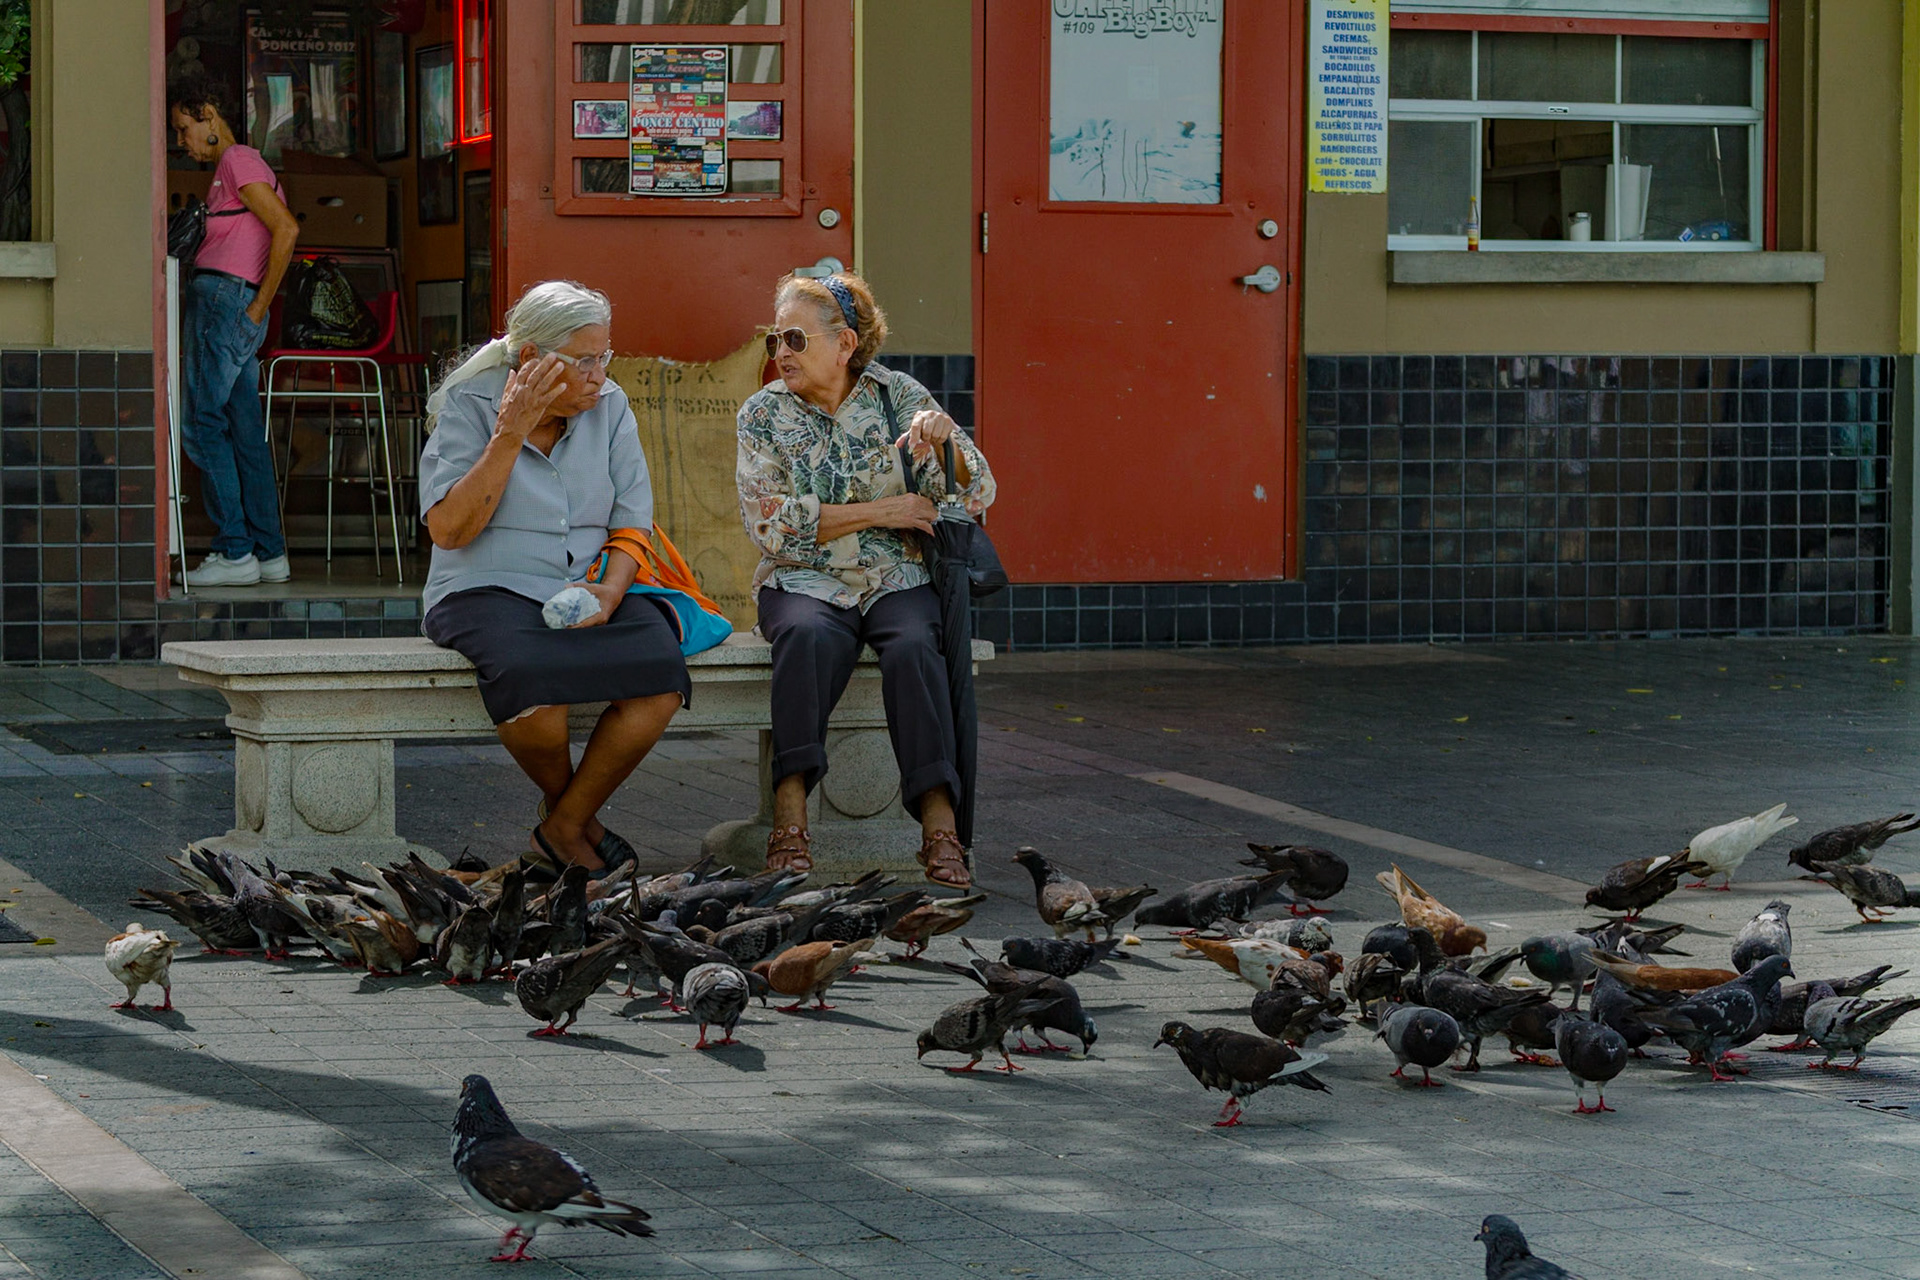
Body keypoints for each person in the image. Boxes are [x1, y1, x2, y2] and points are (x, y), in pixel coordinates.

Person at [420, 281, 689, 876]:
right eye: (585, 360)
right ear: (532, 360)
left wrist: (612, 592)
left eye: (604, 356)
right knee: (530, 682)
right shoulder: (471, 405)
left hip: (593, 582)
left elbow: (631, 522)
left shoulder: (613, 406)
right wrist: (509, 432)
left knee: (662, 675)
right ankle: (579, 824)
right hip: (484, 586)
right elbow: (449, 531)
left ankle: (563, 826)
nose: (599, 373)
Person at [736, 271, 995, 888]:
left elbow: (976, 493)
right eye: (775, 339)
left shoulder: (896, 395)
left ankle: (939, 825)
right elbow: (770, 523)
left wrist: (946, 439)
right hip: (801, 577)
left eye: (795, 339)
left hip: (892, 573)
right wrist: (885, 511)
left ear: (845, 343)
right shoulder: (763, 414)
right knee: (805, 637)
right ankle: (790, 813)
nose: (781, 353)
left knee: (912, 645)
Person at [167, 73, 299, 588]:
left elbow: (286, 228)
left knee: (202, 424)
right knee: (244, 431)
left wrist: (257, 307)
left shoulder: (236, 159)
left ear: (207, 115)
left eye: (183, 128)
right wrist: (256, 309)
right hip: (238, 303)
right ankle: (269, 553)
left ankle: (234, 550)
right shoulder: (233, 167)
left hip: (227, 300)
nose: (182, 141)